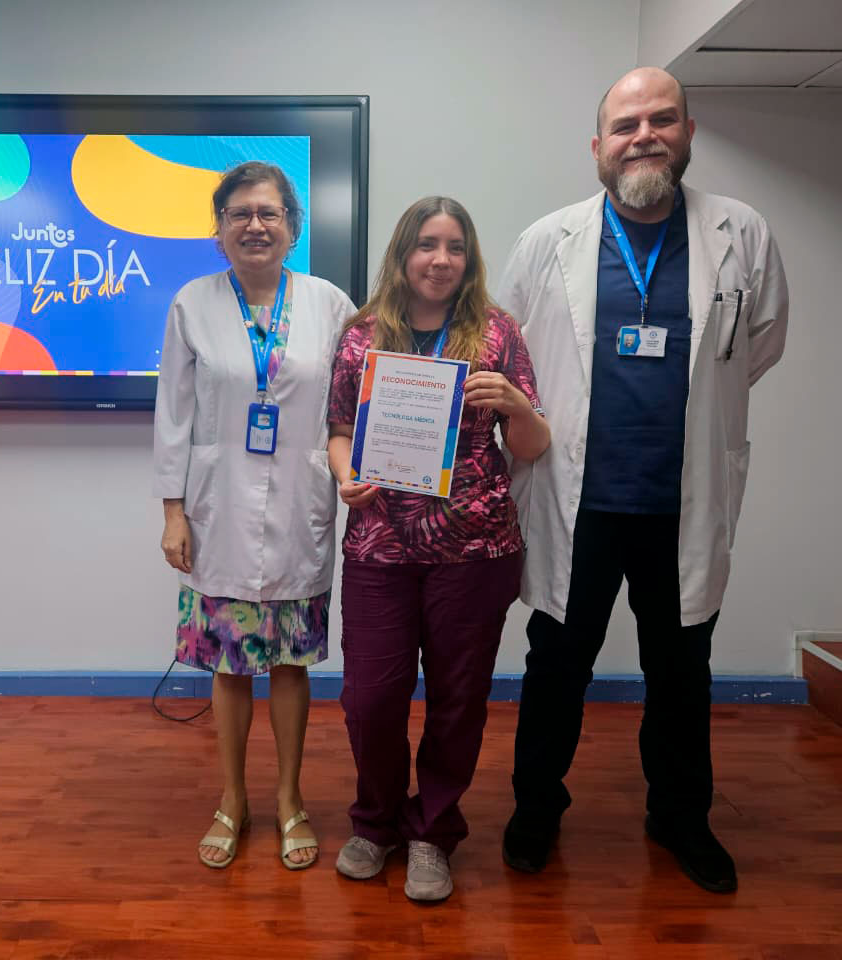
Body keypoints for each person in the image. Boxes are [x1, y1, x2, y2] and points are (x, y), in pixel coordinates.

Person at [496, 67, 789, 893]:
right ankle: (537, 807)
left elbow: (759, 343)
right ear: (599, 146)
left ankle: (681, 816)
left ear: (688, 133)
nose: (644, 137)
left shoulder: (740, 232)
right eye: (626, 125)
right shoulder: (548, 240)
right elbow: (509, 351)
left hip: (681, 499)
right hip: (577, 499)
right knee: (557, 664)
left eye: (662, 120)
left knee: (682, 669)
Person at [327, 196, 550, 902]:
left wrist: (516, 404)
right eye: (427, 244)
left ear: (469, 258)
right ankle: (376, 822)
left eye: (455, 246)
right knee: (370, 699)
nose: (441, 259)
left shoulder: (498, 335)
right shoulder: (362, 337)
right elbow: (339, 429)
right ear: (403, 253)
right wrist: (345, 475)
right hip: (379, 548)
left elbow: (533, 446)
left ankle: (432, 831)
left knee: (458, 701)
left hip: (476, 552)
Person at [152, 161, 356, 870]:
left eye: (269, 212)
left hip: (300, 506)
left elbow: (353, 405)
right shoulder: (193, 304)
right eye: (239, 213)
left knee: (292, 663)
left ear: (293, 227)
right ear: (219, 230)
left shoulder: (331, 305)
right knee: (230, 663)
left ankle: (290, 799)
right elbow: (173, 417)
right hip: (220, 508)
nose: (254, 225)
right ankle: (232, 799)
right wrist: (174, 513)